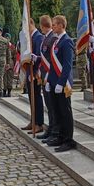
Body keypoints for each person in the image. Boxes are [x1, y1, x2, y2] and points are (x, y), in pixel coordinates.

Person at [45, 15, 76, 152]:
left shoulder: (67, 41)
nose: (53, 27)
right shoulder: (56, 41)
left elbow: (67, 65)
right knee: (57, 111)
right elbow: (52, 63)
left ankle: (68, 140)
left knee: (65, 112)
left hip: (63, 85)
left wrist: (61, 83)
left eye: (55, 24)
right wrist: (49, 79)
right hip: (53, 82)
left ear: (62, 25)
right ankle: (60, 137)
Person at [37, 15, 59, 143]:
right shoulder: (46, 38)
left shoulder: (53, 38)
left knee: (52, 106)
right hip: (45, 75)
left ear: (42, 26)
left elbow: (52, 61)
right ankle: (50, 129)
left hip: (50, 77)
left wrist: (49, 78)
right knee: (49, 106)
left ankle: (54, 130)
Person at [22, 18, 44, 134]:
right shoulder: (30, 38)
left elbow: (39, 56)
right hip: (30, 72)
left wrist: (34, 72)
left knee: (36, 98)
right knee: (31, 98)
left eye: (26, 26)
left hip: (36, 73)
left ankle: (39, 123)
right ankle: (33, 120)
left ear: (31, 24)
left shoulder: (38, 37)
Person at [4, 33, 17, 97]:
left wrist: (14, 65)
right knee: (4, 78)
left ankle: (9, 92)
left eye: (8, 38)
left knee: (9, 78)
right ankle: (4, 91)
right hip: (4, 62)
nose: (7, 39)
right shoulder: (4, 45)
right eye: (6, 38)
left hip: (10, 63)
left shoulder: (12, 46)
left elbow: (15, 56)